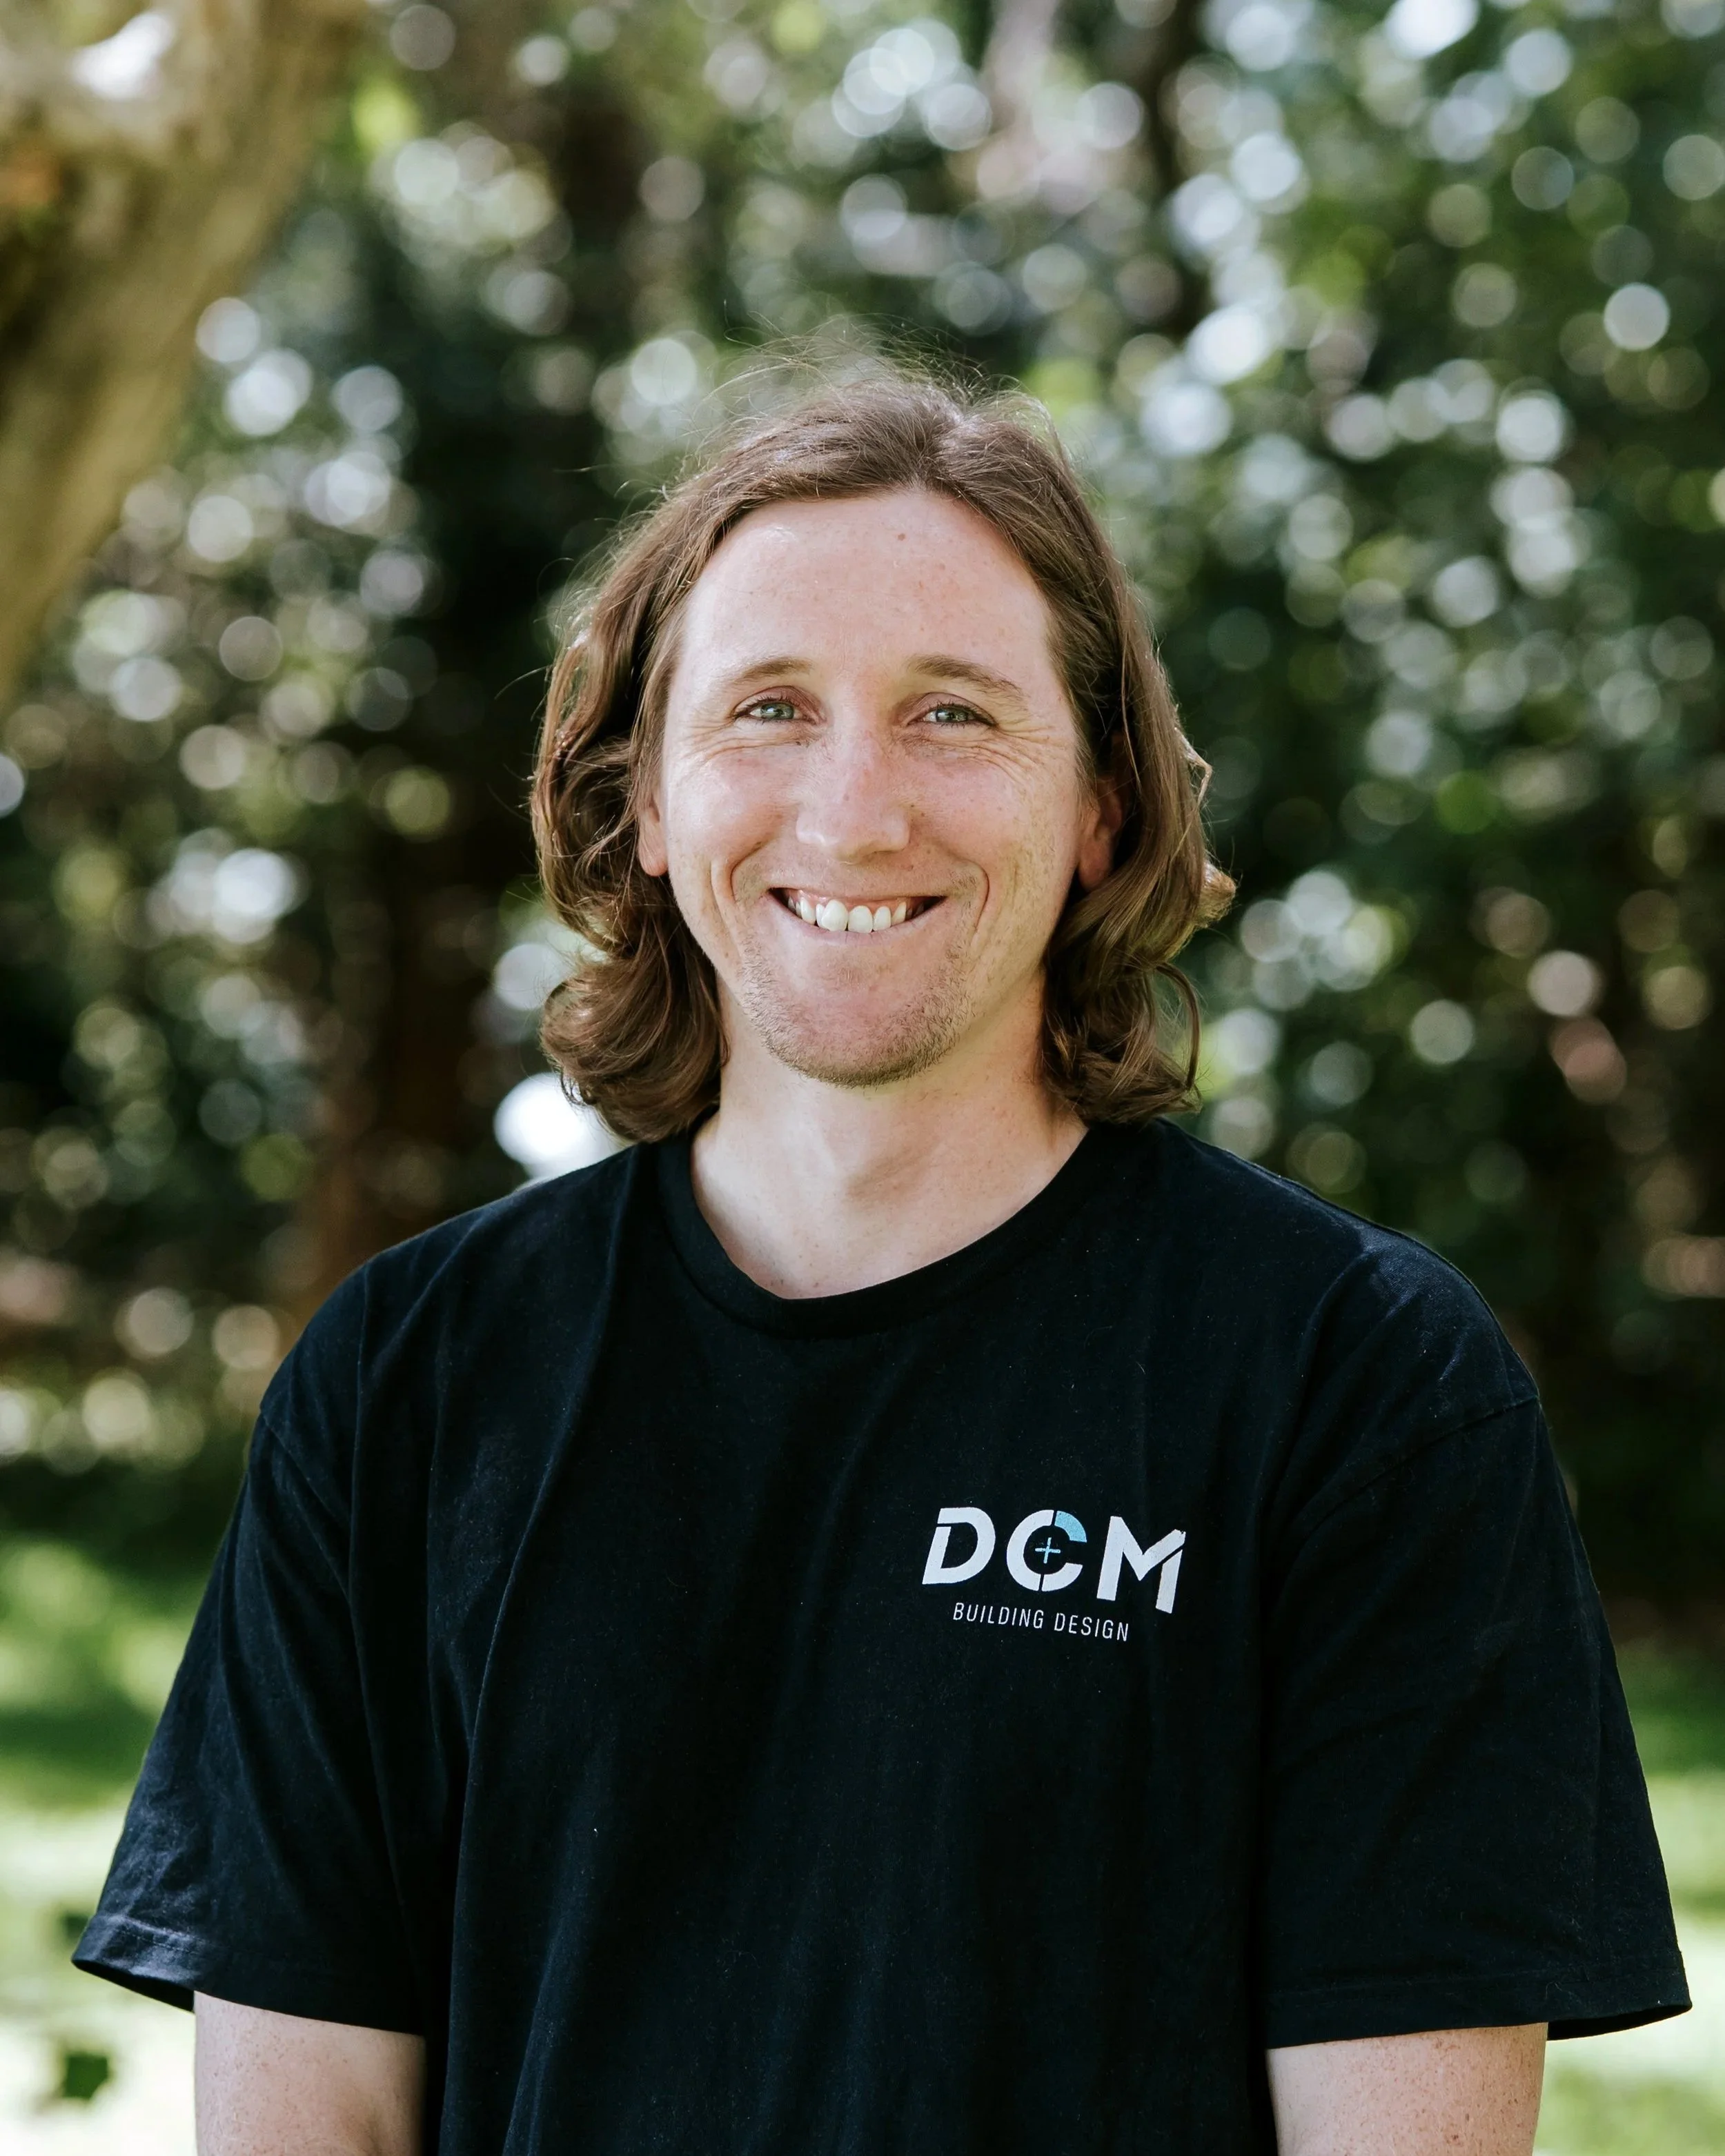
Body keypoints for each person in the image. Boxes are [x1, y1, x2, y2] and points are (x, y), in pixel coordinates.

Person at [77, 370, 1687, 2154]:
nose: (855, 810)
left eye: (951, 714)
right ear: (649, 805)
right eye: (767, 708)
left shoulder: (1355, 1384)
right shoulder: (405, 1381)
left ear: (1098, 808)